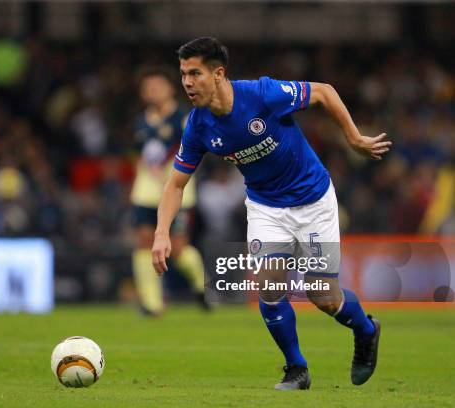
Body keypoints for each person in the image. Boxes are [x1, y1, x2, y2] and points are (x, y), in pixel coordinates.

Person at [152, 37, 390, 390]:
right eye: (184, 74)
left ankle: (367, 331)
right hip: (266, 206)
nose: (187, 82)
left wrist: (353, 139)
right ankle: (297, 368)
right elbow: (175, 184)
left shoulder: (262, 94)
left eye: (195, 73)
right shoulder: (198, 125)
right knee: (268, 286)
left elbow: (324, 92)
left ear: (218, 74)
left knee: (323, 297)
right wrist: (161, 232)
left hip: (313, 200)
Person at [130, 66, 208, 316]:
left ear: (169, 90)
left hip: (177, 188)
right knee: (144, 242)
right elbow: (136, 152)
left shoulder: (185, 118)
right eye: (147, 89)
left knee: (178, 247)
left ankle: (200, 285)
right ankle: (151, 303)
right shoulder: (141, 121)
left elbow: (195, 148)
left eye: (157, 87)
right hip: (146, 190)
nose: (152, 92)